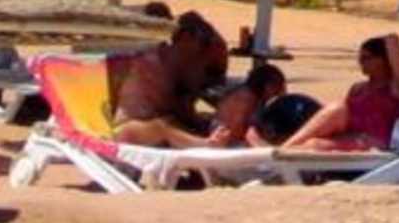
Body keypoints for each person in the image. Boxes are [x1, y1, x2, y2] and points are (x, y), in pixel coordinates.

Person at [109, 11, 231, 150]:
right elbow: (126, 132)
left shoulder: (178, 75)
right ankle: (206, 145)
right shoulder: (148, 68)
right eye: (210, 70)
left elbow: (184, 114)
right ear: (186, 41)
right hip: (124, 135)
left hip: (151, 135)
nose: (208, 81)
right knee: (159, 128)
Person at [280, 34, 399, 152]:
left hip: (375, 140)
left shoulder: (397, 89)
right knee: (314, 142)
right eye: (360, 58)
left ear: (383, 60)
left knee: (320, 139)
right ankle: (284, 150)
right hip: (350, 135)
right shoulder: (358, 88)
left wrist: (389, 40)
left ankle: (283, 151)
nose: (361, 62)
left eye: (366, 58)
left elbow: (393, 42)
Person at [204, 61, 288, 146]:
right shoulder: (245, 98)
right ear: (268, 86)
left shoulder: (255, 97)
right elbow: (235, 130)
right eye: (277, 87)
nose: (277, 93)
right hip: (225, 140)